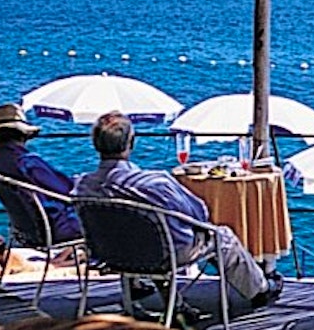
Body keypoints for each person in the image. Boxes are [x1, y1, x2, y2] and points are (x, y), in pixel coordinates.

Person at [72, 111, 282, 308]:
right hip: (161, 256)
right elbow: (199, 213)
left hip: (110, 254)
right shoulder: (154, 184)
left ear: (96, 144)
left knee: (144, 234)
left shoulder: (82, 186)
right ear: (131, 143)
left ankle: (151, 293)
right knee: (222, 236)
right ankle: (260, 290)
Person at [0, 102, 80, 264]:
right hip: (57, 227)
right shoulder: (27, 163)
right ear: (23, 135)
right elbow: (66, 189)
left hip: (29, 231)